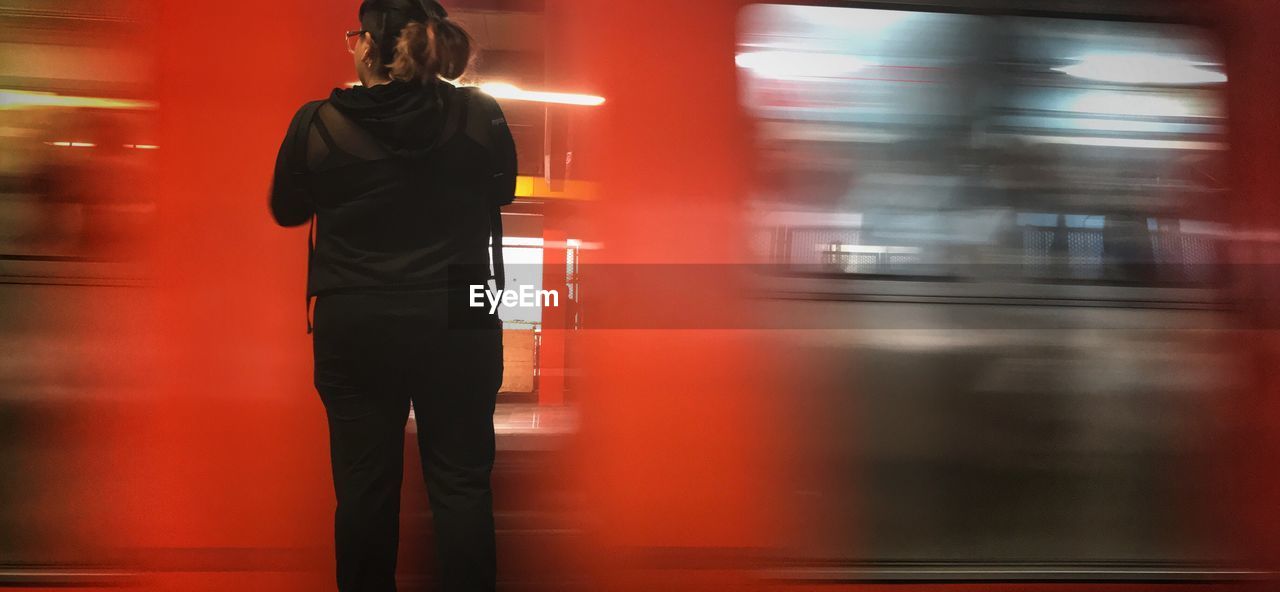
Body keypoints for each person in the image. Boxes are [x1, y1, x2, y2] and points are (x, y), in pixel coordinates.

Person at [268, 1, 516, 590]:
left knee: (363, 492)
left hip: (356, 313)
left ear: (367, 49)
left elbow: (286, 209)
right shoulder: (482, 117)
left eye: (354, 35)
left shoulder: (318, 123)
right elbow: (502, 189)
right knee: (461, 484)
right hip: (463, 306)